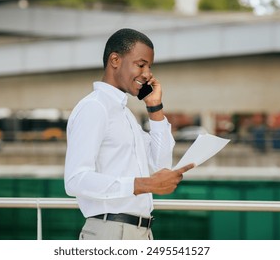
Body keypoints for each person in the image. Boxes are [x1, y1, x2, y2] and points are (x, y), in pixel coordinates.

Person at [64, 28, 194, 240]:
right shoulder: (95, 107)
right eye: (141, 64)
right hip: (110, 233)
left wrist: (155, 108)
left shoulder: (125, 114)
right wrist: (144, 184)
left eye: (149, 67)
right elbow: (75, 180)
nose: (147, 74)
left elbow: (160, 164)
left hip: (141, 232)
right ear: (115, 60)